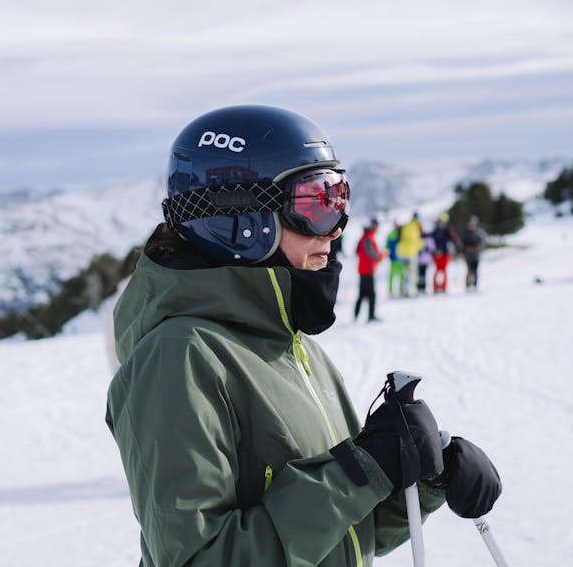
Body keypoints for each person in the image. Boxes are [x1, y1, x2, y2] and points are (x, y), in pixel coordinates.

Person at [107, 105, 501, 566]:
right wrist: (358, 470)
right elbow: (201, 559)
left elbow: (344, 537)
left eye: (339, 199)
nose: (334, 232)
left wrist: (421, 478)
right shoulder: (180, 358)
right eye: (314, 204)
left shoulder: (293, 346)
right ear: (240, 221)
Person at [354, 217, 383, 322]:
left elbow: (358, 252)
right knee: (370, 294)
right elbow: (371, 254)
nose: (377, 227)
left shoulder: (366, 237)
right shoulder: (367, 237)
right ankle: (370, 316)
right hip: (367, 271)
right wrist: (381, 256)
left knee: (363, 294)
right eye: (376, 225)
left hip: (365, 270)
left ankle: (356, 315)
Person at [429, 213, 460, 293]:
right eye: (441, 221)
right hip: (437, 254)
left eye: (444, 222)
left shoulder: (448, 230)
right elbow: (431, 239)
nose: (442, 223)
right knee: (437, 270)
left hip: (445, 254)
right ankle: (436, 287)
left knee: (444, 271)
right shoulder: (436, 230)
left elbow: (454, 239)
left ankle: (443, 287)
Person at [396, 213, 423, 296]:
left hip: (403, 252)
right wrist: (423, 246)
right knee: (411, 273)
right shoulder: (414, 227)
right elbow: (414, 240)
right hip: (410, 253)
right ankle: (409, 291)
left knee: (405, 273)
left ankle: (404, 290)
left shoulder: (407, 226)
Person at [460, 216, 486, 290]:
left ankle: (475, 285)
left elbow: (482, 242)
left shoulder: (478, 233)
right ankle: (468, 285)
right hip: (468, 255)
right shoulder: (465, 233)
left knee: (475, 271)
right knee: (469, 271)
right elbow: (461, 244)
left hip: (476, 255)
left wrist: (478, 247)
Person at [385, 222, 403, 297]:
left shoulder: (402, 233)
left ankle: (400, 290)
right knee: (393, 275)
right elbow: (387, 246)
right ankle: (391, 290)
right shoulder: (392, 234)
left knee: (401, 275)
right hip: (394, 258)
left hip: (401, 257)